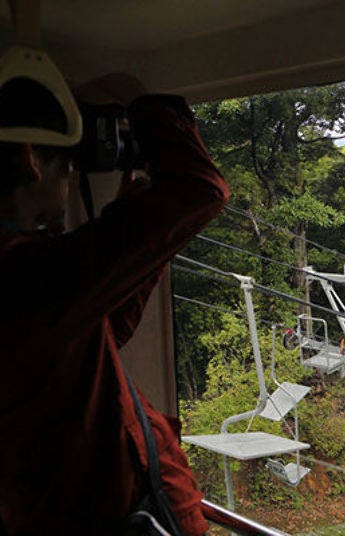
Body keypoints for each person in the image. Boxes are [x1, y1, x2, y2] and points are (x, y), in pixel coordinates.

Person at [0, 75, 229, 534]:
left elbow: (100, 337)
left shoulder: (29, 279)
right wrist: (142, 95)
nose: (69, 184)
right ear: (32, 161)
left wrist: (138, 243)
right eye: (67, 168)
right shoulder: (26, 276)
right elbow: (201, 188)